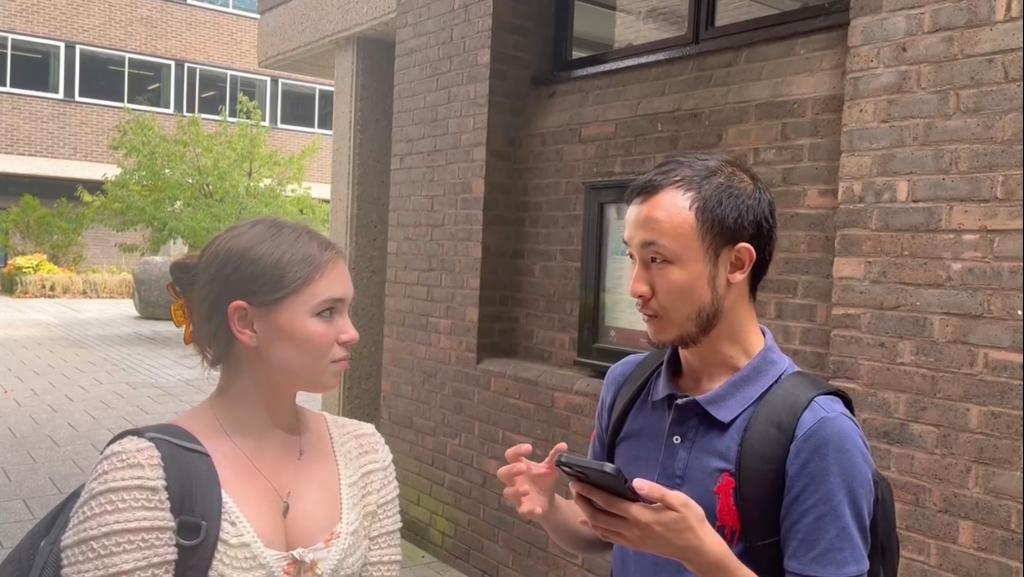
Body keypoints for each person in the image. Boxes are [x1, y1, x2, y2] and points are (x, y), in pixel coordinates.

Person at [497, 154, 875, 577]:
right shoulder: (627, 383)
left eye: (657, 260)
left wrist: (701, 555)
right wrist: (550, 507)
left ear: (736, 264)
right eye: (631, 257)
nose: (636, 287)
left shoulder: (819, 432)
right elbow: (601, 530)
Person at [61, 218, 402, 577]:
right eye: (327, 312)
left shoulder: (363, 452)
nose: (352, 333)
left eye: (347, 310)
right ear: (247, 323)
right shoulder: (140, 477)